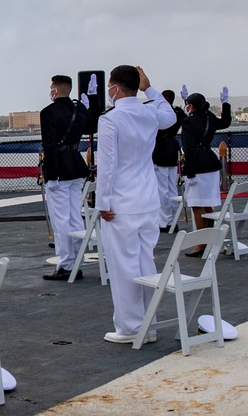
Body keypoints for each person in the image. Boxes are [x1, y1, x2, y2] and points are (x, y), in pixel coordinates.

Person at [95, 66, 176, 343]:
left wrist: (102, 200)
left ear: (115, 87)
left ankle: (130, 328)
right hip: (147, 199)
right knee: (145, 263)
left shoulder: (111, 119)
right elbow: (170, 116)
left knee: (123, 267)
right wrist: (149, 89)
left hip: (121, 202)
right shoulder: (149, 111)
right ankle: (148, 325)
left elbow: (107, 165)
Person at [39, 74, 97, 281]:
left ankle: (65, 265)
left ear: (55, 90)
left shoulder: (48, 113)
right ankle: (76, 260)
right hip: (75, 165)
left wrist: (50, 175)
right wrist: (92, 102)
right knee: (74, 215)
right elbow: (93, 126)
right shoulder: (78, 109)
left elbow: (49, 145)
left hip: (59, 169)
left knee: (61, 219)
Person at [179, 88, 232, 255]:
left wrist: (189, 172)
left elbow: (188, 148)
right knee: (207, 204)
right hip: (210, 162)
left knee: (197, 205)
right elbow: (225, 122)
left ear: (192, 105)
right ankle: (210, 240)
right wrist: (225, 104)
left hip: (197, 166)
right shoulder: (209, 117)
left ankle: (201, 244)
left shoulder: (188, 123)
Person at [152, 89, 187, 231]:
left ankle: (164, 221)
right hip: (172, 149)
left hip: (160, 150)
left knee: (161, 189)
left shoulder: (160, 114)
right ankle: (172, 218)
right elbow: (188, 119)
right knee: (172, 188)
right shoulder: (177, 112)